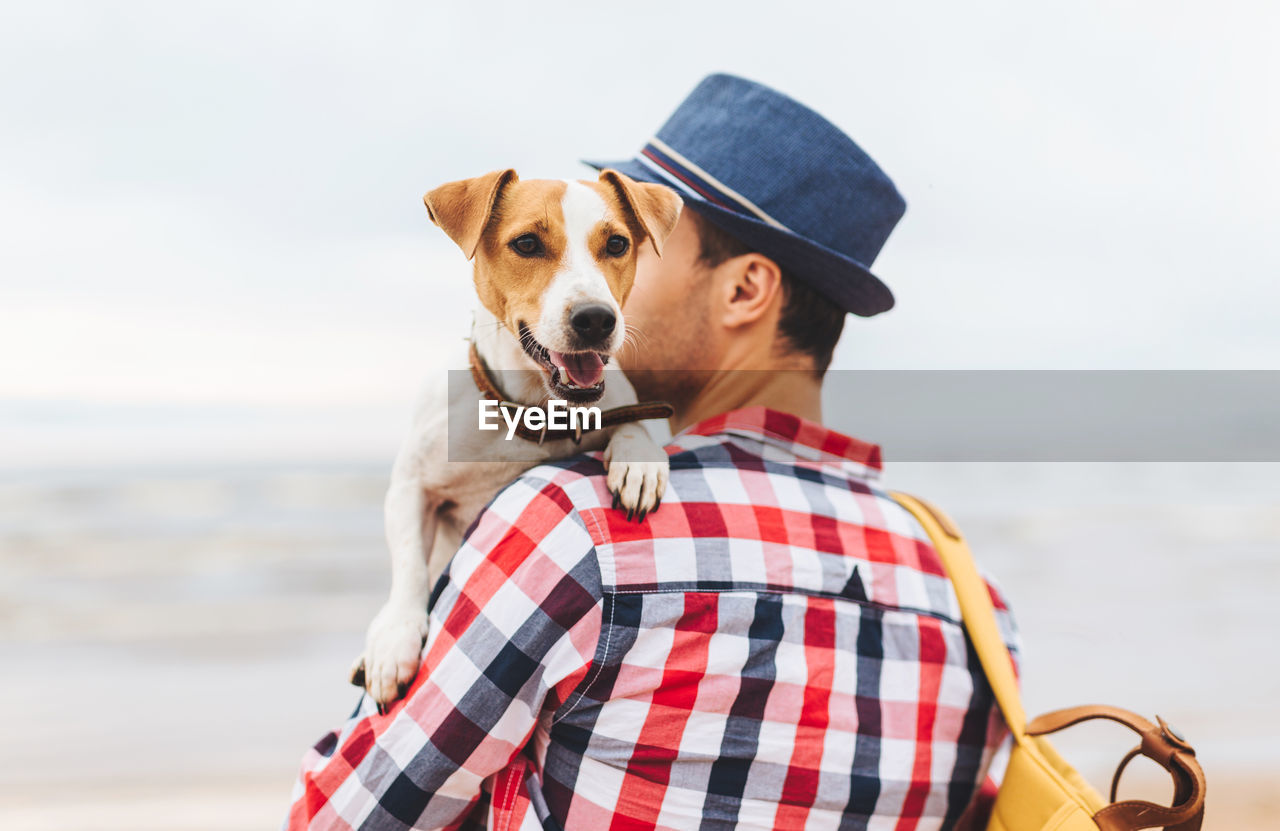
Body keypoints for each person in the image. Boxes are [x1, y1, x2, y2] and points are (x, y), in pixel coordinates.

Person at [285, 73, 1018, 830]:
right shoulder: (975, 604)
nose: (593, 284)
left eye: (621, 246)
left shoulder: (570, 527)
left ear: (745, 291)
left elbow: (346, 817)